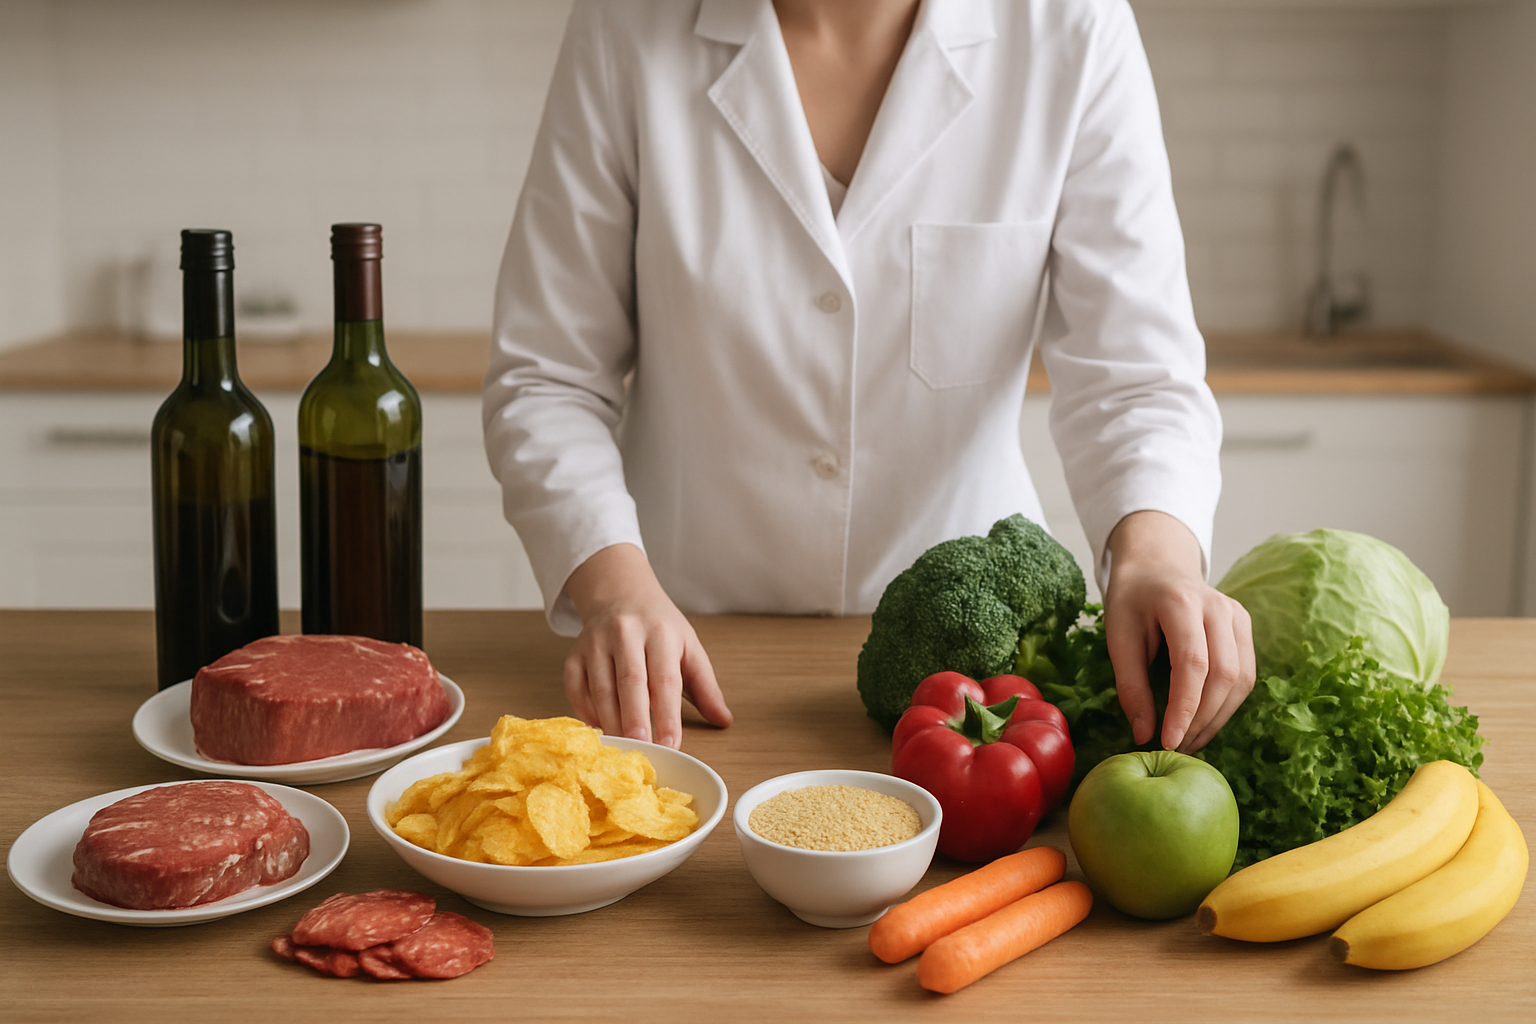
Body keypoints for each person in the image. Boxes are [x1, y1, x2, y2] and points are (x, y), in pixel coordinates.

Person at [483, 0, 1255, 753]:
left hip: (982, 695)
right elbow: (547, 376)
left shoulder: (1071, 26)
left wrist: (1154, 558)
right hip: (684, 667)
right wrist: (615, 590)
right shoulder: (624, 24)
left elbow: (1135, 378)